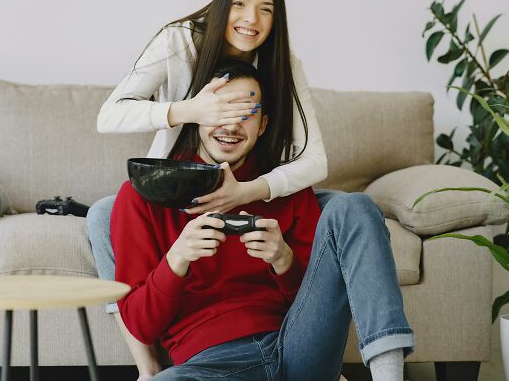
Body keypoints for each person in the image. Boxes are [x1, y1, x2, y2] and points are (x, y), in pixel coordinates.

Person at [88, 0, 328, 378]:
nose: (251, 19)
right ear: (222, 5)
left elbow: (316, 162)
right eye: (239, 3)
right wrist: (190, 109)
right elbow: (109, 115)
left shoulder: (281, 61)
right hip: (178, 186)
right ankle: (146, 368)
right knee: (104, 213)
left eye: (266, 9)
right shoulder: (179, 43)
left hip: (280, 329)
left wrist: (255, 205)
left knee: (349, 211)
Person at [112, 62, 414, 381]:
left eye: (246, 113)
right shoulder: (141, 196)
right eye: (222, 111)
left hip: (295, 350)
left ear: (263, 124)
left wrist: (283, 259)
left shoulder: (286, 187)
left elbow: (324, 304)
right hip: (207, 367)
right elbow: (142, 326)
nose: (231, 126)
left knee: (354, 205)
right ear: (197, 114)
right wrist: (177, 258)